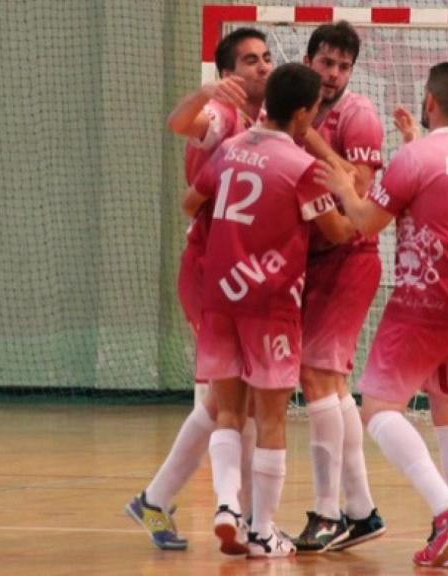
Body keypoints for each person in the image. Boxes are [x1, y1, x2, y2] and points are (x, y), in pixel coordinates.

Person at [316, 62, 448, 568]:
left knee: (378, 408)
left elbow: (364, 222)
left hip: (424, 302)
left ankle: (447, 509)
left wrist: (342, 183)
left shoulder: (414, 158)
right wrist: (414, 141)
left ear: (430, 100)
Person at [189, 62, 356, 559]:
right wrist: (353, 197)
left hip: (219, 298)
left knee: (227, 412)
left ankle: (226, 507)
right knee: (270, 420)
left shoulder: (230, 149)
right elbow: (339, 232)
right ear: (304, 114)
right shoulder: (302, 169)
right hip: (270, 304)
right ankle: (262, 530)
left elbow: (189, 201)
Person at [125, 27, 272, 552]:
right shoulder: (223, 117)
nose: (262, 66)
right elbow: (179, 122)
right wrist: (206, 92)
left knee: (232, 399)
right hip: (211, 272)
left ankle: (160, 500)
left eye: (266, 58)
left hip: (245, 276)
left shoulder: (265, 121)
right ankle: (243, 515)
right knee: (238, 399)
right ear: (229, 71)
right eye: (250, 60)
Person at [292, 20, 386, 554]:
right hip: (311, 260)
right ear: (309, 61)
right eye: (326, 63)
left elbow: (357, 204)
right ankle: (361, 510)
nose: (333, 75)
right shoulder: (292, 108)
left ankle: (329, 514)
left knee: (316, 375)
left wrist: (313, 148)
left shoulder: (359, 116)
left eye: (343, 67)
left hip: (348, 257)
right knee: (330, 384)